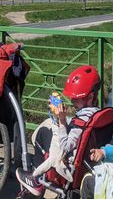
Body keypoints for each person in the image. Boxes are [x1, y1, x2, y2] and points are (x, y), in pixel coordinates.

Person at [15, 65, 101, 197]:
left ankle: (37, 182)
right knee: (48, 126)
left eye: (76, 99)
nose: (72, 101)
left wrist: (61, 121)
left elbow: (65, 146)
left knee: (42, 133)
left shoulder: (82, 122)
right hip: (88, 161)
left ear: (90, 97)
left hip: (69, 166)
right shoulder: (97, 114)